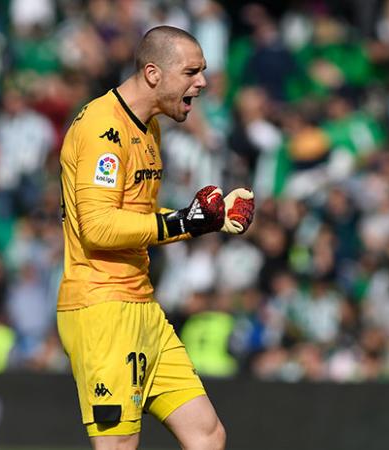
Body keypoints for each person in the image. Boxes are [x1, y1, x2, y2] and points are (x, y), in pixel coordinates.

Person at [56, 26, 255, 450]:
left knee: (207, 434)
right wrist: (184, 221)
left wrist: (208, 221)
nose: (201, 82)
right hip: (101, 310)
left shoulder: (149, 129)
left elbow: (140, 218)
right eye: (191, 72)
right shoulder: (101, 129)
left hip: (142, 306)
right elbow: (99, 226)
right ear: (153, 73)